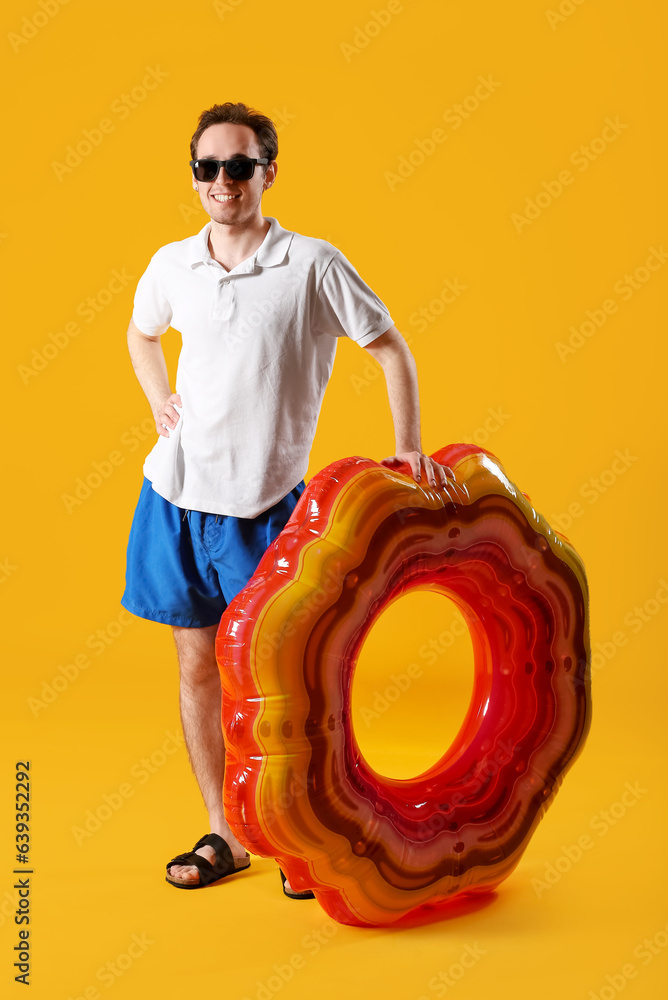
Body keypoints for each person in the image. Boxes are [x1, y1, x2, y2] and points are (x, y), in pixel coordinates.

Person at [120, 101, 451, 897]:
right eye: (209, 168)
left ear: (268, 171)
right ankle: (225, 833)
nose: (223, 181)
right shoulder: (173, 263)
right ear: (194, 176)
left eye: (240, 166)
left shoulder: (311, 264)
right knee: (198, 665)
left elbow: (390, 348)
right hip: (173, 494)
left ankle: (300, 838)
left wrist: (409, 450)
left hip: (265, 505)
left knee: (282, 677)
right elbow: (141, 333)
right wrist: (159, 398)